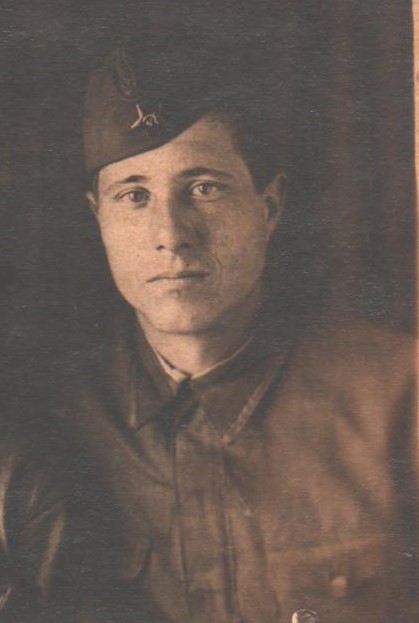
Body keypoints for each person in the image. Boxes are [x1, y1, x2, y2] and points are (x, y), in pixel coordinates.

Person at [0, 34, 417, 623]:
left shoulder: (399, 399)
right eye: (134, 195)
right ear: (98, 218)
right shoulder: (44, 421)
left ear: (268, 208)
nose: (171, 235)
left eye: (204, 189)